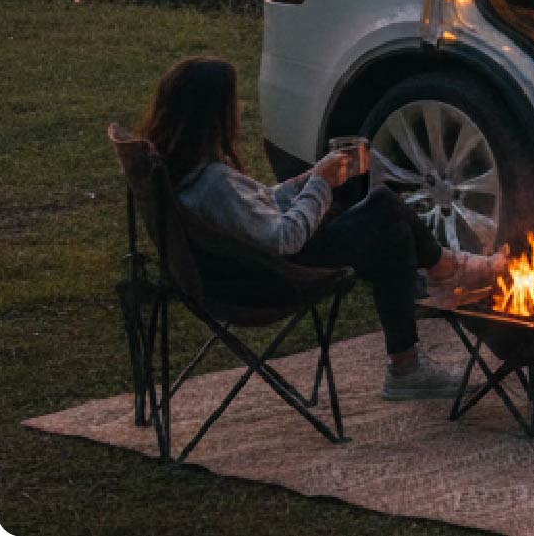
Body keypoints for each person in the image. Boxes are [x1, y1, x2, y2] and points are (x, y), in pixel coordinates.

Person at [140, 56, 504, 401]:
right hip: (273, 276)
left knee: (381, 226)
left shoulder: (184, 173)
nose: (240, 109)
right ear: (212, 115)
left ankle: (420, 325)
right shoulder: (214, 182)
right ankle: (444, 278)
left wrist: (311, 179)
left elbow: (256, 210)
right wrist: (322, 185)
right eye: (233, 103)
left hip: (242, 269)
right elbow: (284, 238)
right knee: (385, 211)